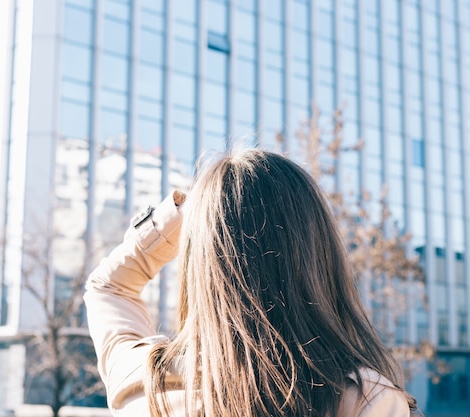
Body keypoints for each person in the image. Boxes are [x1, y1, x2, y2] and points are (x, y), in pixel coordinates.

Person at [85, 148, 419, 417]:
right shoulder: (366, 401)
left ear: (200, 262)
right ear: (320, 256)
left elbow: (108, 286)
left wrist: (189, 214)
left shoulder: (142, 378)